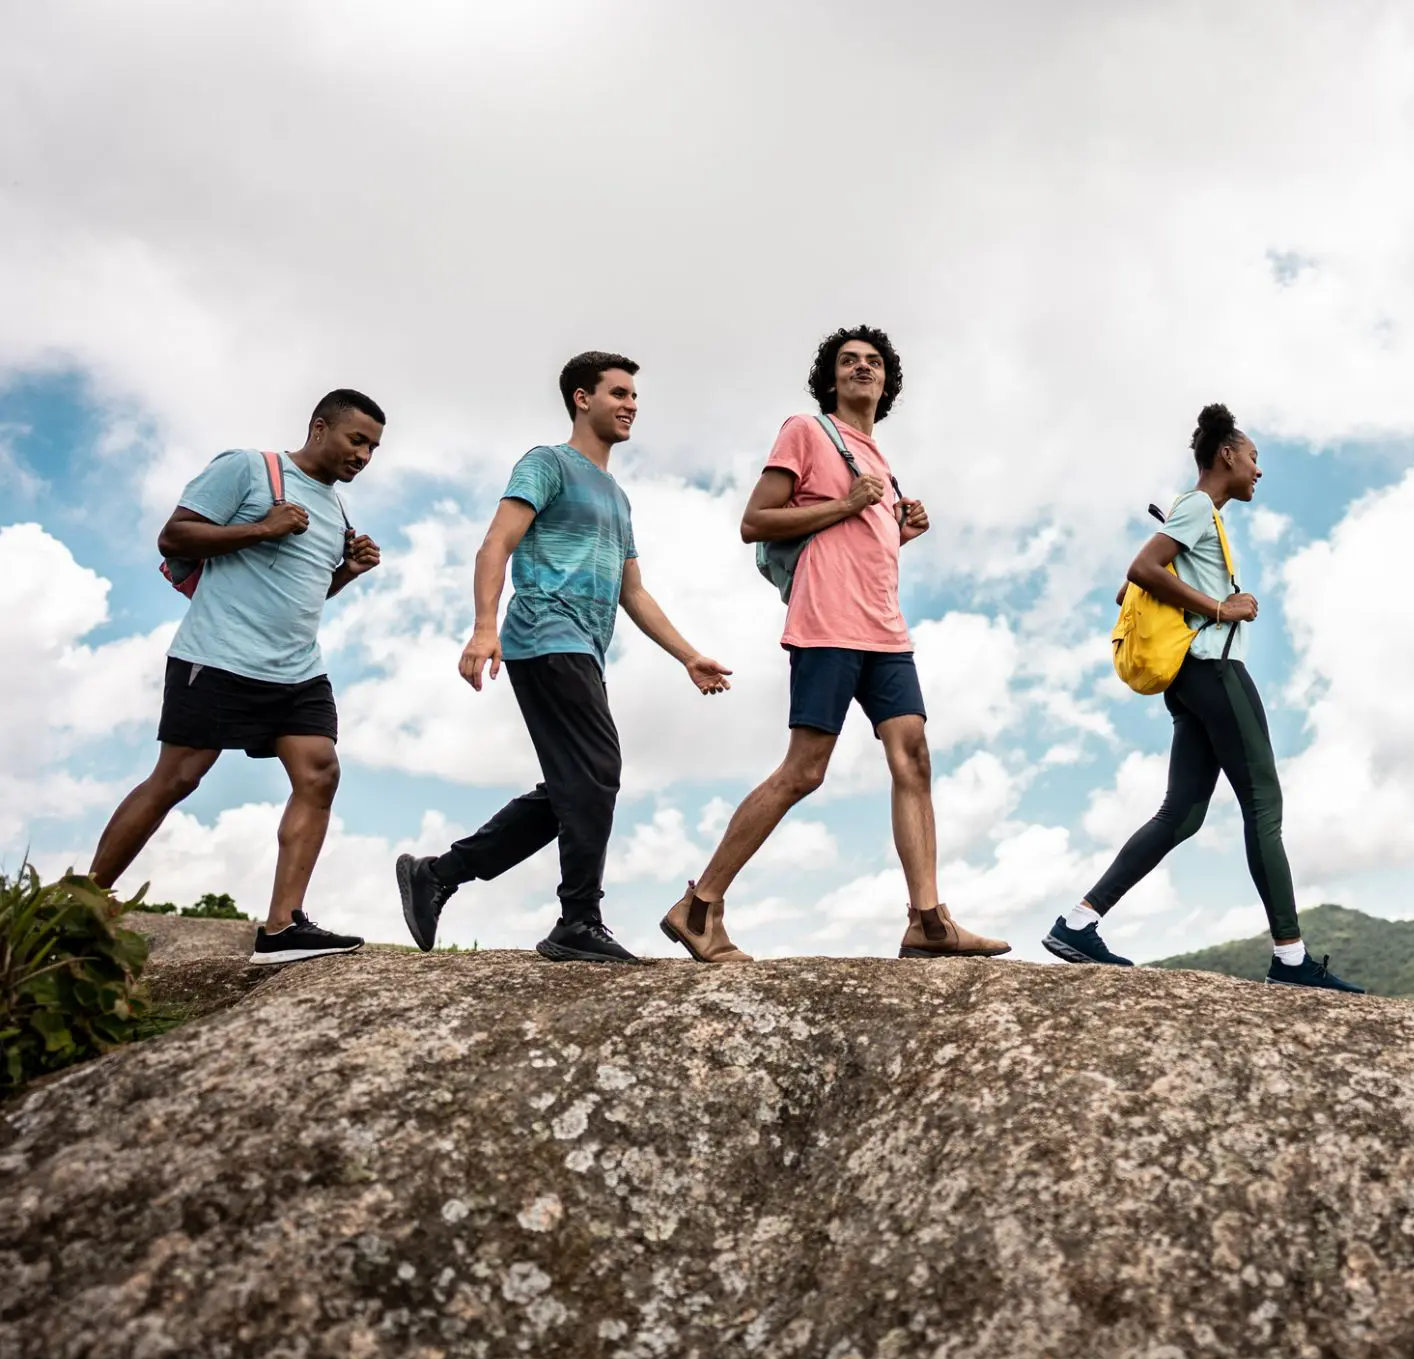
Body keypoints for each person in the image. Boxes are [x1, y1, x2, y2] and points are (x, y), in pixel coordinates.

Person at [661, 326, 1008, 962]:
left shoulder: (880, 458)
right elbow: (755, 522)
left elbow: (854, 547)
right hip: (827, 624)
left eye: (873, 362)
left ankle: (927, 921)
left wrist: (899, 531)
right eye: (848, 362)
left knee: (915, 757)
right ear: (831, 377)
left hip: (884, 629)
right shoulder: (807, 431)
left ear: (887, 380)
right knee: (806, 770)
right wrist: (849, 503)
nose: (861, 369)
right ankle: (699, 905)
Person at [395, 352, 731, 964]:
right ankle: (578, 917)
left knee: (575, 784)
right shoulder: (546, 464)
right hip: (545, 632)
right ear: (583, 398)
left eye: (635, 397)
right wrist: (482, 627)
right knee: (597, 769)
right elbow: (496, 543)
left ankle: (440, 874)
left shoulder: (618, 497)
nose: (632, 405)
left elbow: (633, 591)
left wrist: (687, 656)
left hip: (582, 647)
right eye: (619, 393)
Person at [1045, 403, 1362, 992]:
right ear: (1227, 455)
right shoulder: (1196, 506)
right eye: (1254, 458)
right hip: (1214, 670)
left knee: (1183, 814)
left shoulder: (1199, 517)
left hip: (1188, 682)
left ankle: (1078, 922)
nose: (1258, 471)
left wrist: (1187, 589)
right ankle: (1290, 961)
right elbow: (1141, 568)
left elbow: (1130, 586)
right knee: (1264, 803)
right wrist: (1220, 606)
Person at [90, 389, 387, 965]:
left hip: (298, 670)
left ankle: (281, 930)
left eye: (374, 448)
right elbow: (173, 536)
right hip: (220, 658)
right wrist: (263, 528)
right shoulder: (250, 469)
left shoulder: (337, 511)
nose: (364, 456)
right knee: (177, 778)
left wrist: (347, 571)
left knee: (320, 772)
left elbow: (306, 592)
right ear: (320, 428)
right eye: (357, 440)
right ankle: (80, 904)